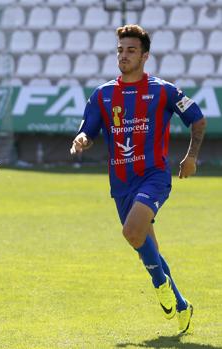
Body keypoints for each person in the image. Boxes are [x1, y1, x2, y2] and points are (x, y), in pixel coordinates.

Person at [70, 24, 206, 335]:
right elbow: (88, 130)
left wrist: (192, 156)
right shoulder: (103, 95)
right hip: (120, 183)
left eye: (131, 50)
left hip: (154, 176)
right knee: (145, 245)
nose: (124, 55)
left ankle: (160, 284)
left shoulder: (164, 90)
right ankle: (182, 304)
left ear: (145, 55)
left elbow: (197, 120)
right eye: (120, 50)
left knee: (132, 232)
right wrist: (80, 140)